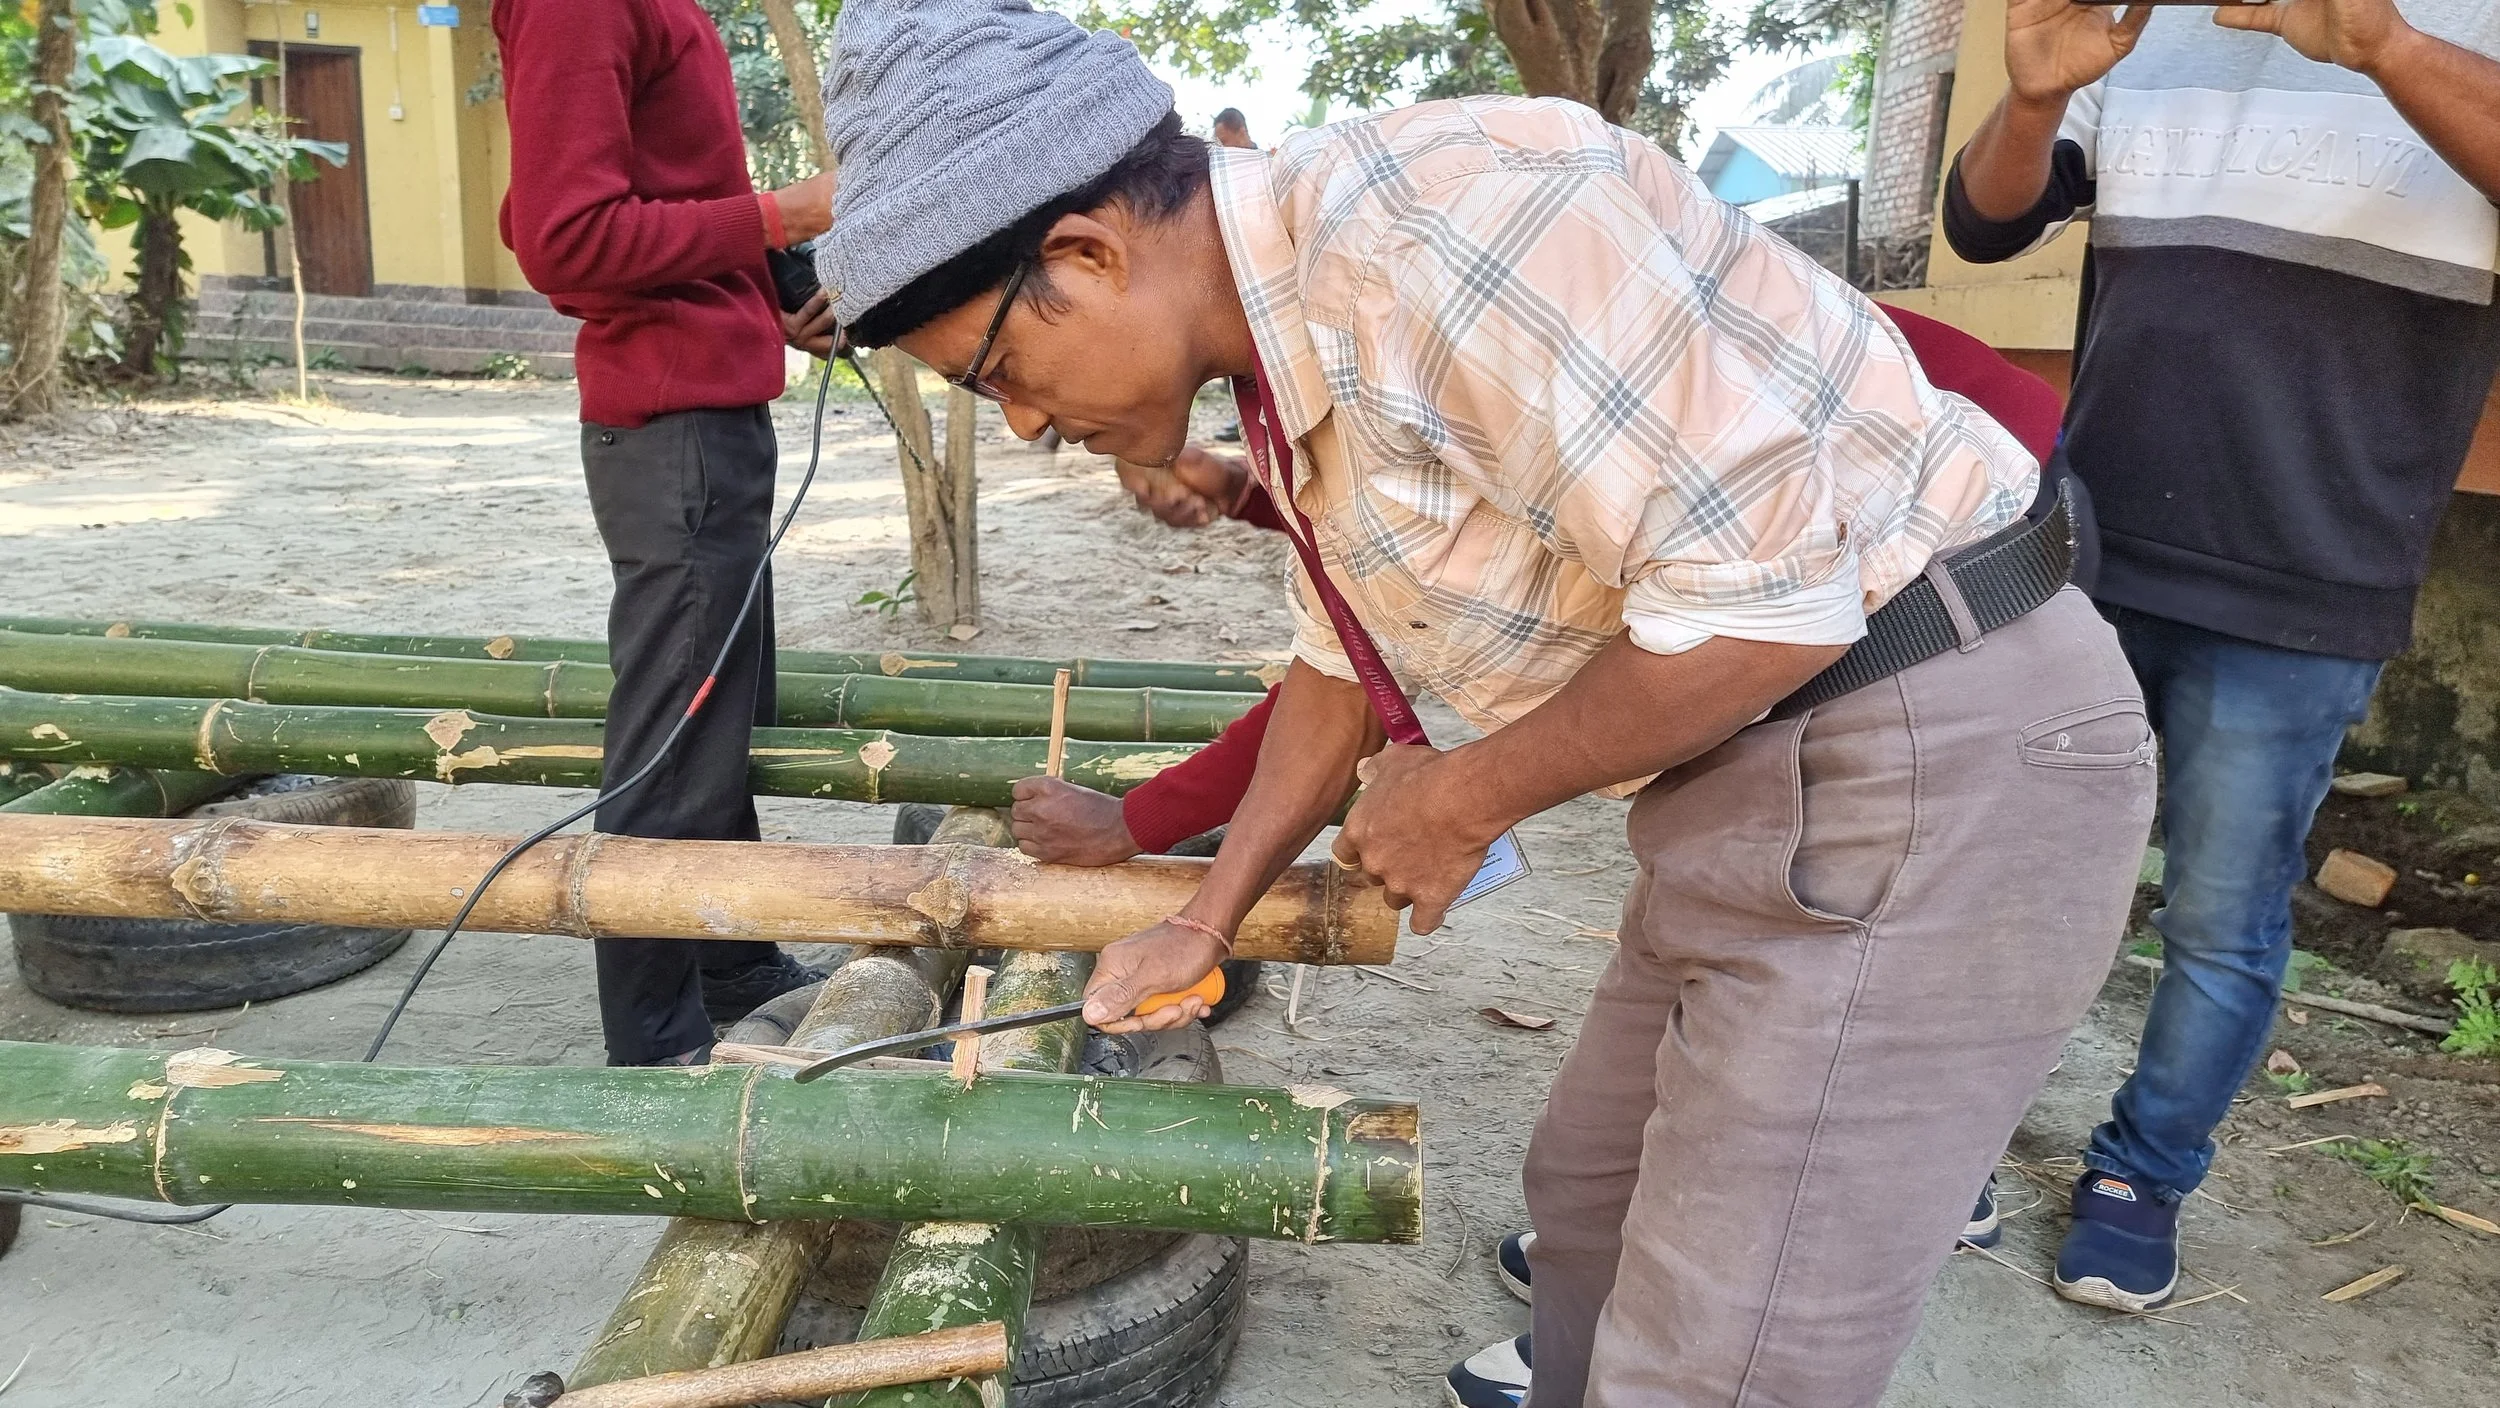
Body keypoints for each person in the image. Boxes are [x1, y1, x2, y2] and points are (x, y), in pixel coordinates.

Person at [814, 6, 2157, 1408]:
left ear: (1088, 253)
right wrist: (1202, 915)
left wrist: (1465, 794)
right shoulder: (1287, 352)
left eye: (1002, 376)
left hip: (1925, 744)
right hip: (1756, 763)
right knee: (1586, 1201)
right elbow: (1334, 664)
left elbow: (1769, 605)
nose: (1027, 426)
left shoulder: (1452, 229)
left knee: (1725, 1359)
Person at [1945, 0, 2500, 1313]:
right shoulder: (2144, 26)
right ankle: (1949, 1134)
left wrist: (2383, 49)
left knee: (2218, 909)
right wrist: (2030, 100)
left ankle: (2143, 1173)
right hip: (2094, 545)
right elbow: (1986, 224)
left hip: (2311, 570)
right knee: (2011, 867)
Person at [493, 0, 841, 1066]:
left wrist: (775, 284)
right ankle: (652, 1043)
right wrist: (776, 218)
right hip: (672, 424)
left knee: (724, 715)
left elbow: (673, 191)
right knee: (675, 747)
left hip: (713, 408)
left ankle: (726, 959)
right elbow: (564, 240)